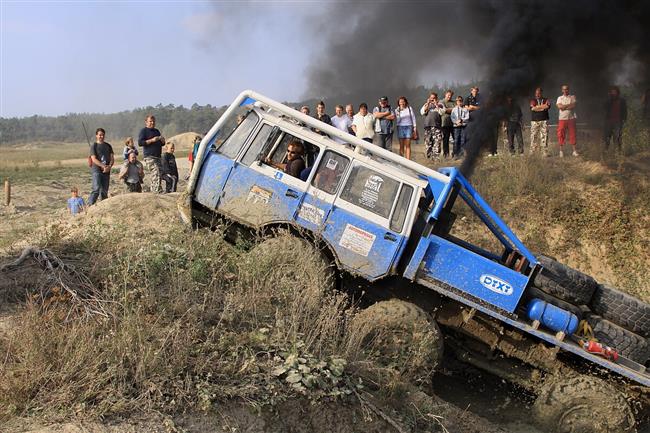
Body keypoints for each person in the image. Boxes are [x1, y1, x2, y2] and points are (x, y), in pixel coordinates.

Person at [138, 114, 165, 192]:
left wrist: (162, 140)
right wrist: (152, 140)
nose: (152, 123)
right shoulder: (144, 131)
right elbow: (140, 143)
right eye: (150, 121)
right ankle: (156, 191)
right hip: (149, 156)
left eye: (153, 121)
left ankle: (156, 189)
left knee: (159, 173)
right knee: (156, 171)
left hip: (158, 157)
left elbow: (162, 143)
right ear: (146, 122)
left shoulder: (157, 131)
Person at [88, 127, 114, 205]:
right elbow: (93, 159)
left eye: (102, 135)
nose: (101, 136)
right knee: (96, 189)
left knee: (104, 191)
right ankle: (90, 206)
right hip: (97, 170)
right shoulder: (94, 146)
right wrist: (103, 166)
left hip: (106, 171)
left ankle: (103, 206)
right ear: (96, 135)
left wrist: (109, 166)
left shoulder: (108, 146)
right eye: (99, 135)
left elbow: (112, 158)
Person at [420, 92, 445, 160]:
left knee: (437, 143)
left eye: (434, 98)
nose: (432, 99)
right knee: (428, 143)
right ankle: (429, 157)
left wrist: (436, 104)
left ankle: (436, 158)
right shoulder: (426, 104)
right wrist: (427, 104)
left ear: (436, 98)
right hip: (428, 127)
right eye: (431, 98)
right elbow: (422, 112)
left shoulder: (440, 104)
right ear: (429, 98)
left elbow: (442, 112)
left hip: (437, 127)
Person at [556, 85, 578, 157]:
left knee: (573, 134)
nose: (565, 91)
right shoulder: (560, 98)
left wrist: (564, 106)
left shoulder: (572, 97)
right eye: (564, 89)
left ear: (568, 90)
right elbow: (560, 107)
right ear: (562, 90)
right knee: (561, 134)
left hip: (571, 118)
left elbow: (573, 106)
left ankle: (574, 151)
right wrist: (568, 105)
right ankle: (561, 151)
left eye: (566, 89)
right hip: (562, 118)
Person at [603, 86, 627, 151]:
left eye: (615, 92)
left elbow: (625, 110)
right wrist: (609, 98)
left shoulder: (622, 100)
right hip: (609, 121)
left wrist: (624, 119)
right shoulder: (609, 100)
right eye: (612, 92)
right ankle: (606, 150)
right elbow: (604, 107)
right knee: (607, 136)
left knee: (618, 137)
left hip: (618, 121)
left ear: (618, 92)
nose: (613, 93)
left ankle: (618, 151)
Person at [530, 87, 551, 155]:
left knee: (544, 136)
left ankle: (544, 152)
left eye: (539, 93)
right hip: (535, 121)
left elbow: (547, 106)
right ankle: (533, 151)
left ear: (541, 93)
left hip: (544, 120)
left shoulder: (546, 99)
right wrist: (542, 107)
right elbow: (532, 108)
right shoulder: (533, 100)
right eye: (536, 93)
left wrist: (537, 107)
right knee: (534, 136)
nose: (537, 95)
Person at [440, 90, 455, 158]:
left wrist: (448, 109)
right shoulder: (441, 101)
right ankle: (446, 154)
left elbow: (456, 109)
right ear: (445, 94)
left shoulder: (453, 102)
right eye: (448, 95)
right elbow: (444, 110)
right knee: (445, 139)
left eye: (451, 95)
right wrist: (452, 109)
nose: (449, 96)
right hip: (444, 123)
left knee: (455, 139)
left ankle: (455, 153)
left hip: (453, 123)